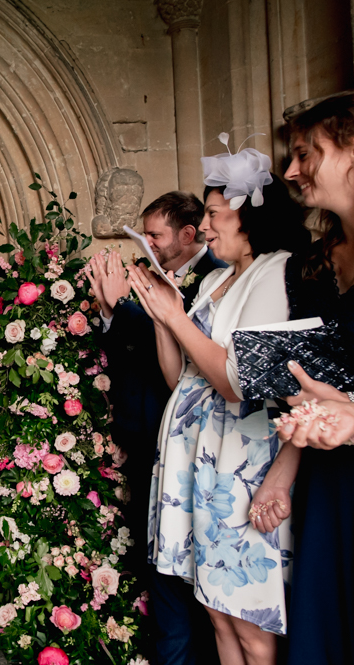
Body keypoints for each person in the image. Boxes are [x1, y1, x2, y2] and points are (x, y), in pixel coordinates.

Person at [131, 156, 309, 664]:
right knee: (216, 613)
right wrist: (162, 315)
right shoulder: (214, 282)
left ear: (250, 215)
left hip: (241, 462)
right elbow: (180, 378)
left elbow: (235, 383)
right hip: (197, 458)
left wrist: (175, 318)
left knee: (249, 622)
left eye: (213, 214)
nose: (205, 226)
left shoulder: (276, 272)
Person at [87, 192, 224, 665]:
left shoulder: (214, 278)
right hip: (150, 437)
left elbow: (180, 351)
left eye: (155, 235)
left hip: (198, 445)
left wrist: (126, 306)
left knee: (193, 582)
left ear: (187, 234)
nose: (147, 243)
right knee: (161, 570)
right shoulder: (159, 276)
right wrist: (111, 309)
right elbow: (140, 346)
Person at [250, 93, 354, 665]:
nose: (291, 171)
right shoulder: (315, 262)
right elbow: (321, 384)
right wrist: (282, 474)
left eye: (306, 153)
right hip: (329, 479)